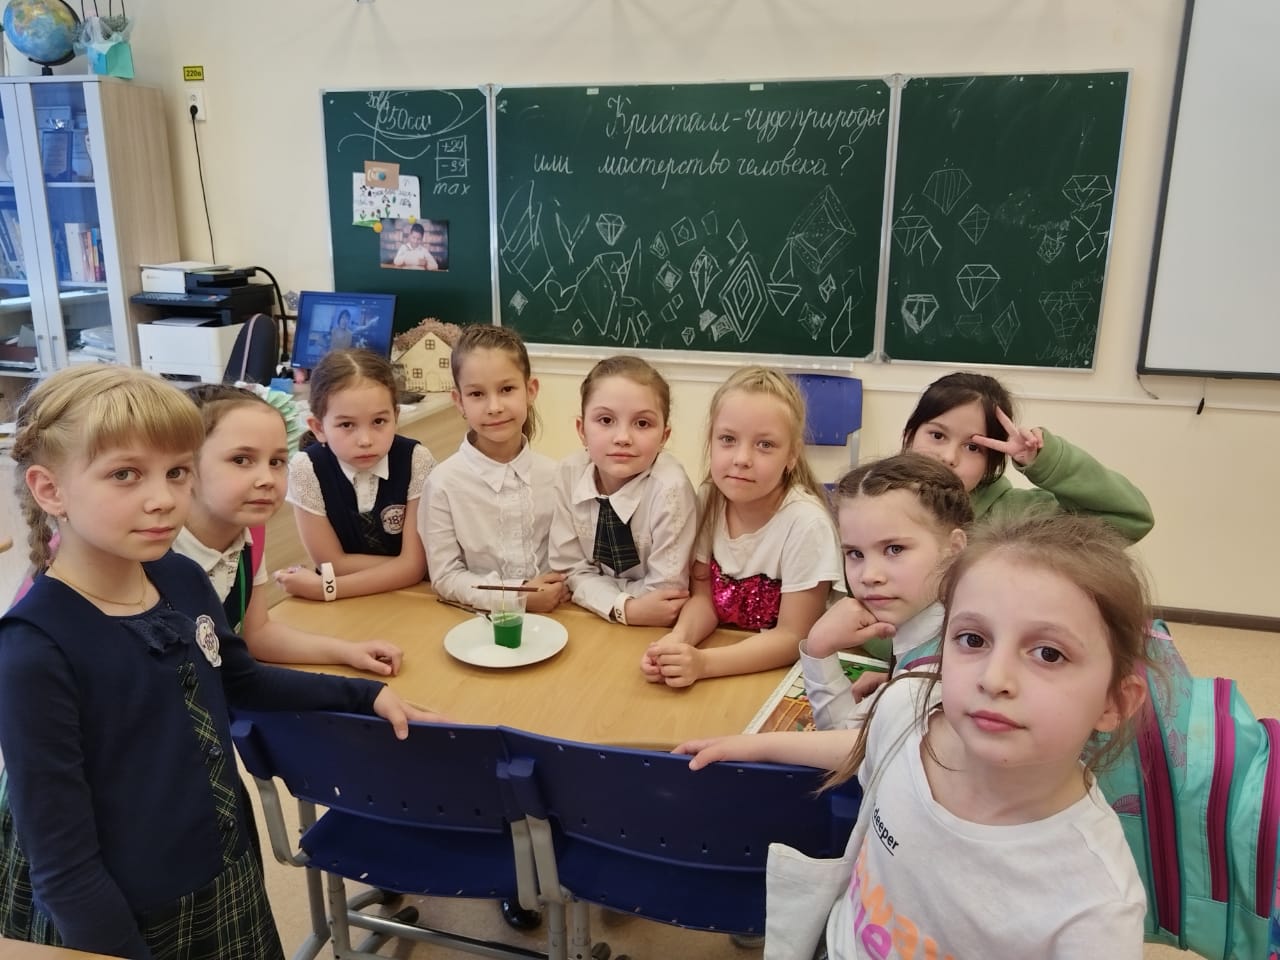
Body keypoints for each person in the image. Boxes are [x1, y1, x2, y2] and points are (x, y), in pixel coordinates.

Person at [0, 366, 438, 960]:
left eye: (177, 472)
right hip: (123, 911)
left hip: (218, 861)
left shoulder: (181, 577)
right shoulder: (34, 648)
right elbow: (65, 870)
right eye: (125, 474)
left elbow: (242, 680)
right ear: (50, 490)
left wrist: (364, 695)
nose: (163, 499)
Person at [677, 511, 1151, 959]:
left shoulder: (1096, 907)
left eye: (1048, 653)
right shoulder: (906, 706)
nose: (994, 678)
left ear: (1114, 702)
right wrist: (752, 744)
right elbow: (867, 747)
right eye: (973, 640)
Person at [178, 383, 403, 674]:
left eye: (276, 462)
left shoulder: (250, 532)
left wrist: (348, 651)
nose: (267, 479)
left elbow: (257, 634)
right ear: (183, 466)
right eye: (241, 460)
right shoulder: (153, 553)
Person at [642, 366, 842, 687]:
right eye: (728, 439)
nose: (742, 458)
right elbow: (704, 600)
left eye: (765, 445)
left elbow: (795, 636)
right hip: (727, 659)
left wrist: (703, 663)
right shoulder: (710, 498)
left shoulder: (807, 524)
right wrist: (677, 642)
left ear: (792, 455)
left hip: (781, 676)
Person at [801, 453, 971, 728]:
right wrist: (893, 679)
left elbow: (845, 743)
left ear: (954, 549)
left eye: (894, 549)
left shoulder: (925, 682)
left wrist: (819, 650)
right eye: (855, 553)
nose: (869, 576)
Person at [903, 371, 1153, 542]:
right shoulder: (880, 496)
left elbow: (1129, 518)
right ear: (909, 435)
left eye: (973, 447)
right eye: (937, 435)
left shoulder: (1012, 517)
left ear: (991, 463)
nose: (948, 457)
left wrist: (1047, 462)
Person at [421, 325, 568, 614]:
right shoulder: (442, 484)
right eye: (477, 394)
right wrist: (518, 597)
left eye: (507, 389)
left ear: (530, 391)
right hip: (475, 621)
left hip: (558, 617)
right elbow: (445, 576)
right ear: (459, 401)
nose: (494, 406)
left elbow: (573, 561)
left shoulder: (557, 476)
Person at [275, 348, 434, 601]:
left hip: (409, 596)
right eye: (346, 425)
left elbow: (414, 567)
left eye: (379, 421)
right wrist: (404, 568)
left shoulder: (417, 460)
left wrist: (325, 588)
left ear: (396, 417)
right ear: (318, 427)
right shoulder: (306, 469)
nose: (365, 440)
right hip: (344, 605)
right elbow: (332, 564)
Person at [550, 355, 697, 626]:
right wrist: (624, 607)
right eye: (606, 420)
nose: (622, 438)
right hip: (592, 620)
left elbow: (666, 596)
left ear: (664, 437)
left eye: (642, 424)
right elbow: (568, 571)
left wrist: (594, 591)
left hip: (651, 631)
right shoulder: (568, 473)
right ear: (582, 430)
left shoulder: (671, 490)